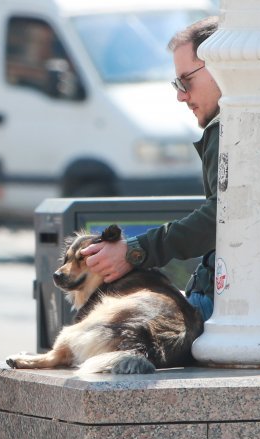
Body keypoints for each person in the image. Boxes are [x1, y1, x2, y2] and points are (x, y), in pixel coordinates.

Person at [82, 16, 221, 321]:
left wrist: (134, 252)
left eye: (186, 81)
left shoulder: (231, 129)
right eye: (177, 84)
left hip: (222, 305)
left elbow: (221, 217)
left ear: (220, 68)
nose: (181, 95)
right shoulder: (229, 127)